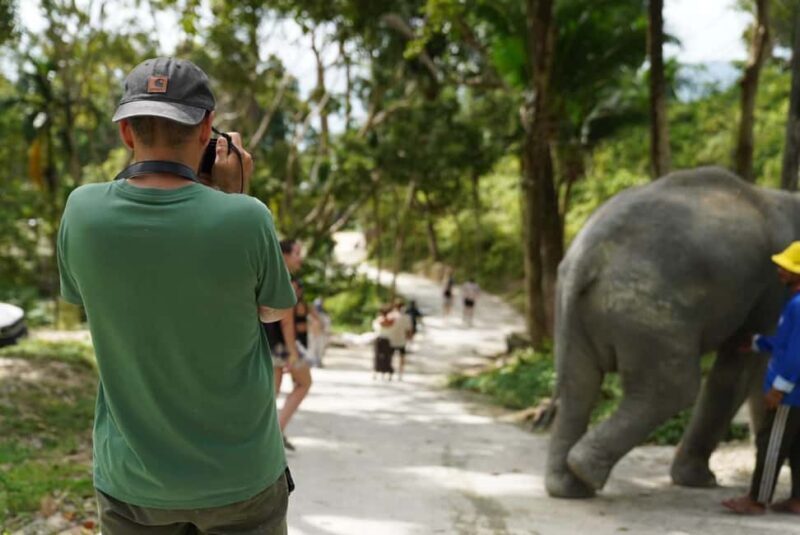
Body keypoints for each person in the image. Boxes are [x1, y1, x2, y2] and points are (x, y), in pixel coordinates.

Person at [57, 57, 296, 534]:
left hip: (133, 483)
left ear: (126, 132)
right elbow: (271, 311)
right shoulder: (246, 218)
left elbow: (85, 297)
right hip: (241, 479)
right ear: (208, 129)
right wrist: (231, 198)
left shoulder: (81, 211)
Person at [723, 242, 800, 515]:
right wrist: (758, 343)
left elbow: (796, 354)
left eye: (788, 267)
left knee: (771, 443)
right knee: (795, 446)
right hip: (794, 392)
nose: (780, 270)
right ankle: (797, 500)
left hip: (790, 394)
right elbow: (784, 343)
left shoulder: (798, 305)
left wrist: (779, 389)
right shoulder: (793, 302)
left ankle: (757, 499)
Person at [265, 239, 313, 452]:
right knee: (301, 383)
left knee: (272, 394)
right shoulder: (288, 281)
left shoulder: (270, 275)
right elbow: (286, 320)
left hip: (270, 344)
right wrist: (293, 352)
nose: (299, 258)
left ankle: (276, 432)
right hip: (280, 347)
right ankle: (275, 434)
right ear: (284, 255)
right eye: (296, 253)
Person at [388, 300, 413, 381]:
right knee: (402, 357)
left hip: (392, 339)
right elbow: (409, 330)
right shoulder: (406, 317)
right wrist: (410, 339)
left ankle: (390, 373)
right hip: (402, 340)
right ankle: (400, 374)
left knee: (391, 357)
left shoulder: (390, 316)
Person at [372, 306, 395, 381]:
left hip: (382, 339)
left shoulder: (383, 320)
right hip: (384, 339)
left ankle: (380, 373)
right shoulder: (388, 321)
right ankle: (380, 373)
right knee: (384, 357)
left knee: (382, 357)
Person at [308, 297, 331, 368]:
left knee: (320, 349)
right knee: (312, 348)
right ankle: (313, 362)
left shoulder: (325, 316)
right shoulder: (309, 315)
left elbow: (327, 326)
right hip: (312, 334)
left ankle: (318, 361)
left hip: (321, 334)